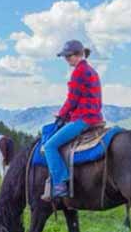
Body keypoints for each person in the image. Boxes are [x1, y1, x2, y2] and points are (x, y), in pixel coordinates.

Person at [42, 40, 104, 200]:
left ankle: (61, 183)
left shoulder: (79, 72)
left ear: (78, 55)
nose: (66, 60)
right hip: (95, 116)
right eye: (65, 57)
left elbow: (72, 100)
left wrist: (61, 114)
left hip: (83, 119)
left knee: (50, 146)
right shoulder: (91, 70)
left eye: (68, 56)